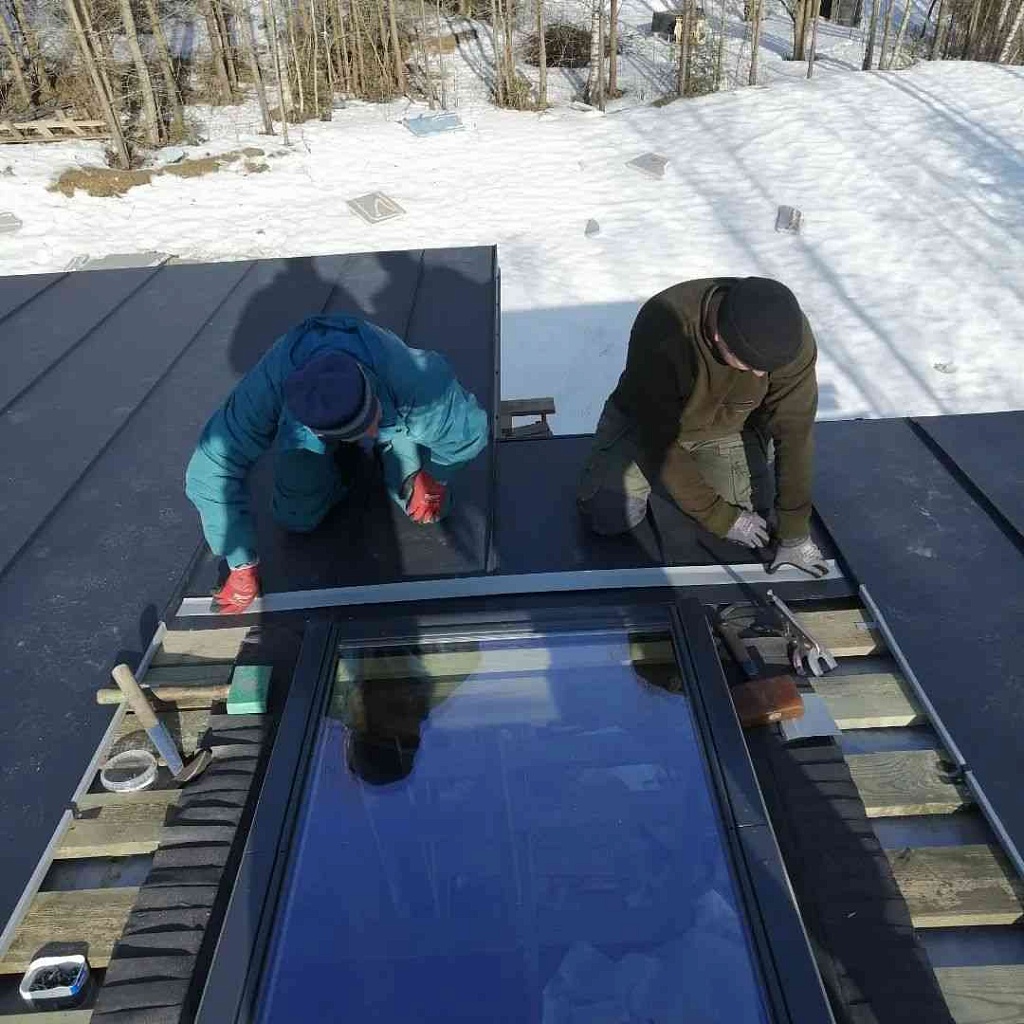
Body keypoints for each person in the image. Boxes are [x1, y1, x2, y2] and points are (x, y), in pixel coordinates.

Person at [185, 315, 489, 613]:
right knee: (297, 518)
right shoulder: (268, 387)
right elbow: (208, 470)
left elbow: (469, 431)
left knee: (428, 509)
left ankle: (393, 439)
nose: (371, 433)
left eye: (371, 420)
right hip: (308, 425)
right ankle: (337, 469)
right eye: (361, 431)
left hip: (391, 404)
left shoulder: (413, 381)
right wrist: (241, 564)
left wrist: (435, 478)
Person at [576, 277, 828, 578]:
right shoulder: (664, 326)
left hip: (727, 427)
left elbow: (795, 431)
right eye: (749, 364)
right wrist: (718, 516)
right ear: (719, 336)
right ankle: (654, 481)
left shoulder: (786, 337)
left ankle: (694, 479)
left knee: (755, 517)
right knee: (609, 513)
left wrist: (794, 532)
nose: (761, 375)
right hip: (645, 425)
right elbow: (657, 437)